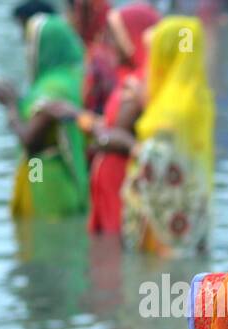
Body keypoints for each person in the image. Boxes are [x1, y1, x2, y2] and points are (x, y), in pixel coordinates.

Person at [120, 16, 214, 256]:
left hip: (164, 230)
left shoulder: (170, 109)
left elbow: (149, 165)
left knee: (158, 286)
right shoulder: (198, 97)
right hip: (192, 215)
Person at [0, 10, 88, 219]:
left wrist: (11, 104)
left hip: (43, 174)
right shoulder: (70, 78)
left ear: (46, 47)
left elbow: (29, 140)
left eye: (30, 43)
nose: (26, 51)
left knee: (41, 242)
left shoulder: (52, 88)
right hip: (52, 171)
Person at [82, 3, 160, 235]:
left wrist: (88, 124)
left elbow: (112, 135)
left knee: (113, 261)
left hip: (121, 182)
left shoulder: (140, 84)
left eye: (115, 37)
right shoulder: (128, 79)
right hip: (108, 183)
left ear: (132, 37)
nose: (110, 45)